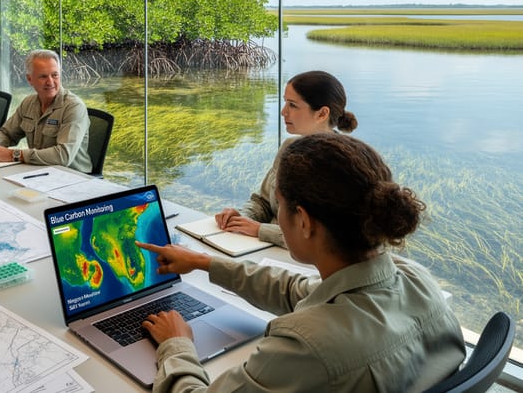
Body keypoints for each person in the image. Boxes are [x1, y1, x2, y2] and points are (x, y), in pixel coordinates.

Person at [137, 133, 465, 393]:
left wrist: (176, 345)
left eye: (279, 204)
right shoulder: (414, 277)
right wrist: (203, 262)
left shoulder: (307, 348)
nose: (276, 213)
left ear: (304, 221)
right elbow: (299, 291)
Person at [216, 70, 358, 247]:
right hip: (265, 249)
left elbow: (325, 237)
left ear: (322, 113)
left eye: (292, 105)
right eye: (285, 102)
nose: (283, 111)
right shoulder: (289, 147)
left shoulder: (343, 165)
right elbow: (263, 201)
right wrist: (241, 218)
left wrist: (260, 230)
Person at [0, 49, 91, 173]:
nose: (50, 82)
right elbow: (7, 133)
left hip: (72, 177)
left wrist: (14, 155)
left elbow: (63, 156)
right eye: (43, 76)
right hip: (40, 171)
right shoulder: (28, 103)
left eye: (55, 75)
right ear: (30, 79)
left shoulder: (74, 107)